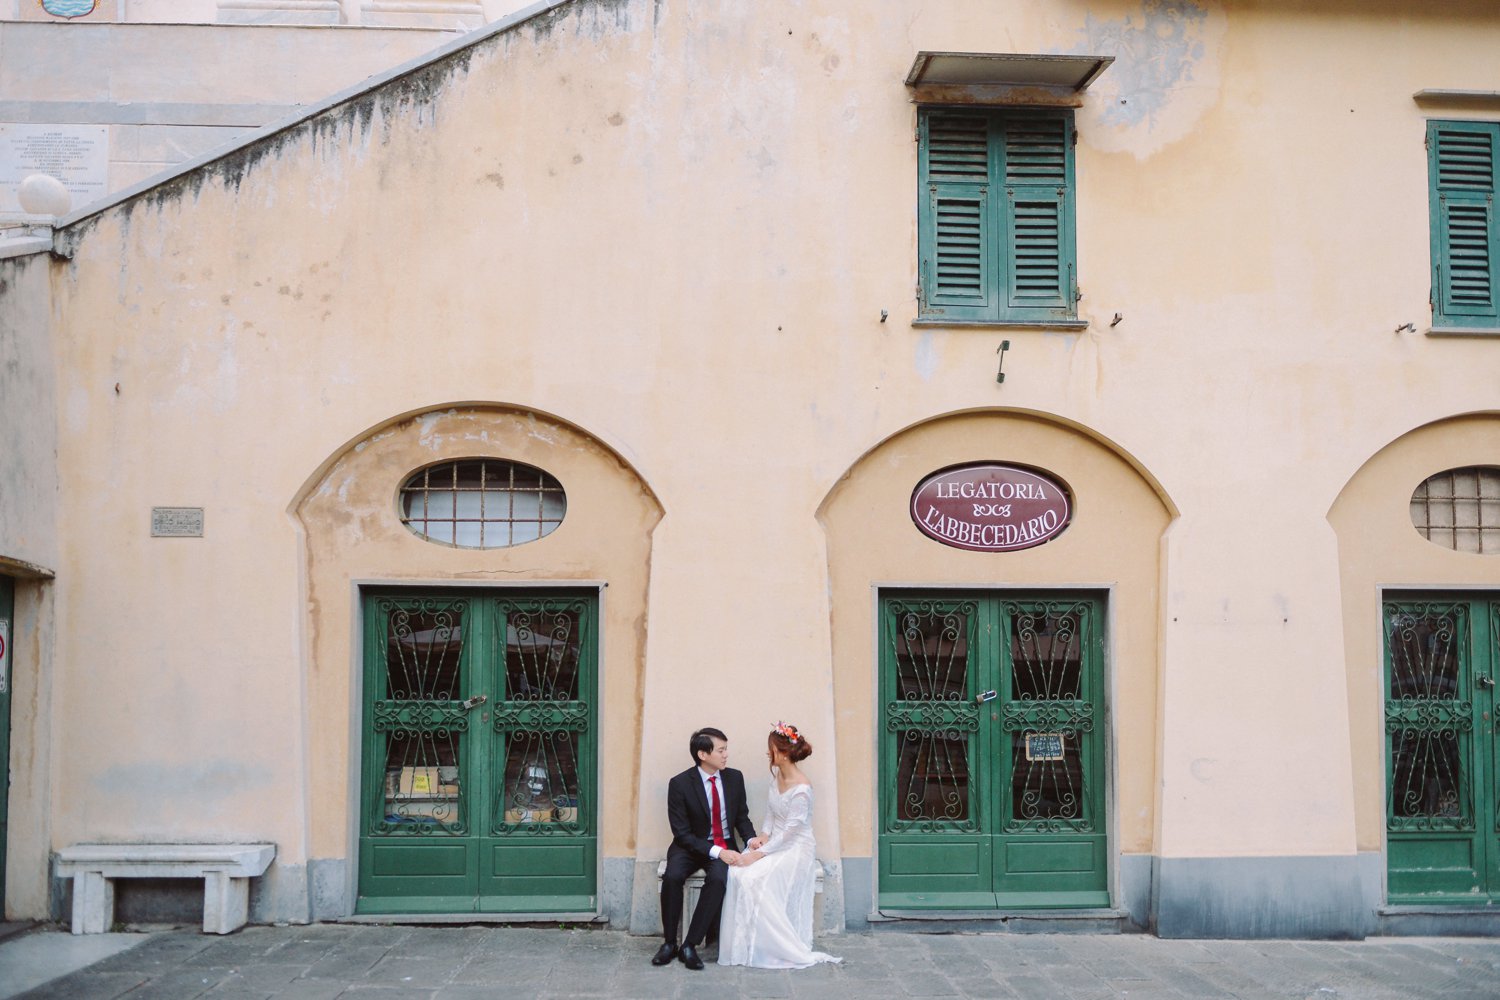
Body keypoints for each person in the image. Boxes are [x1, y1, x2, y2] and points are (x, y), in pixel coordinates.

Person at [717, 722, 841, 969]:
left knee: (753, 877)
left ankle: (779, 944)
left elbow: (789, 835)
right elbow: (772, 814)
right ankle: (753, 942)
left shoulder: (802, 789)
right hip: (775, 842)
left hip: (796, 849)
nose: (768, 753)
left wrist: (758, 855)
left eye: (771, 749)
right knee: (738, 873)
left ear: (783, 753)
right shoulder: (777, 778)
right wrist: (763, 835)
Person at [654, 727, 757, 971]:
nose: (725, 755)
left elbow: (741, 816)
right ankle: (669, 943)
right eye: (721, 750)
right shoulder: (679, 784)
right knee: (672, 876)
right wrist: (716, 851)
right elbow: (681, 833)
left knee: (719, 879)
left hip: (724, 845)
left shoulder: (734, 778)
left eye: (725, 749)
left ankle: (690, 944)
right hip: (688, 847)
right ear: (703, 754)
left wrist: (751, 840)